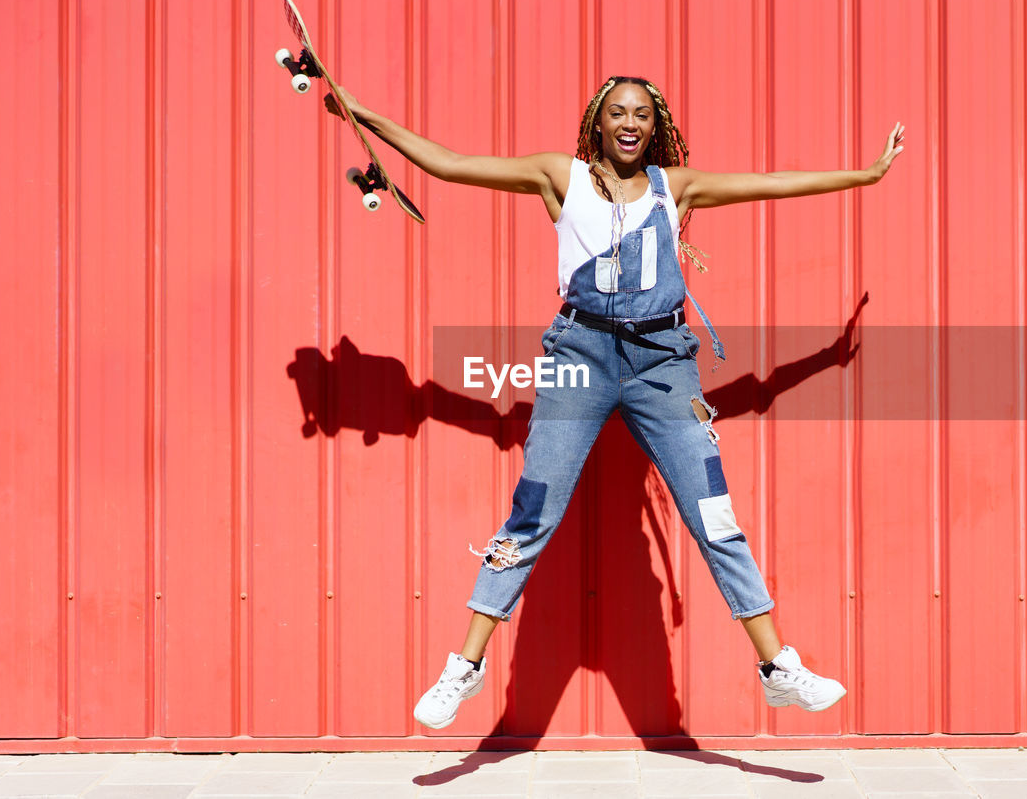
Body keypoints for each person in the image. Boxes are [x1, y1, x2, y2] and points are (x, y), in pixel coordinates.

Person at [325, 76, 905, 731]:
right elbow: (451, 165)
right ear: (598, 124)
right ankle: (466, 663)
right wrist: (362, 111)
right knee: (530, 511)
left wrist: (864, 176)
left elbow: (770, 182)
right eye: (616, 113)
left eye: (640, 115)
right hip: (580, 355)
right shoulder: (559, 176)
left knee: (716, 515)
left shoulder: (672, 187)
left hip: (663, 364)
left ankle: (778, 669)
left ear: (653, 127)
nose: (629, 123)